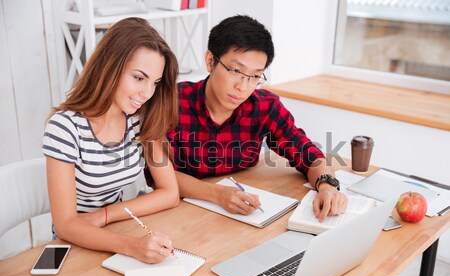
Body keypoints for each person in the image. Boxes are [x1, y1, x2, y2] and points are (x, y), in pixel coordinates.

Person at [146, 15, 347, 222]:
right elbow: (158, 176)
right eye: (235, 71)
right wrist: (217, 194)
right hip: (179, 215)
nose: (243, 87)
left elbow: (305, 151)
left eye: (254, 76)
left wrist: (327, 185)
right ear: (210, 61)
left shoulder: (264, 106)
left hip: (241, 214)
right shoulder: (170, 103)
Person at [43, 18, 179, 263]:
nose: (147, 93)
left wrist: (105, 216)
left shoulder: (141, 120)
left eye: (155, 83)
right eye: (139, 78)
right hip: (77, 242)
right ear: (110, 67)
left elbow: (170, 192)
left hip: (116, 230)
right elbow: (65, 224)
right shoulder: (64, 127)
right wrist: (132, 246)